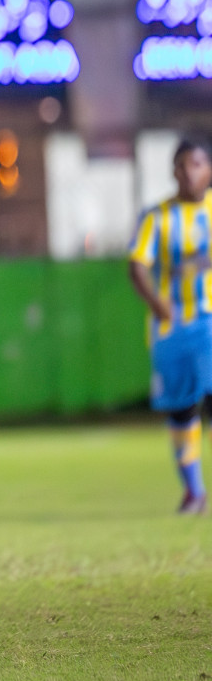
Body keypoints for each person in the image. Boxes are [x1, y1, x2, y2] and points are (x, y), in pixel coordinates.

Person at [128, 134, 212, 515]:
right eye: (180, 165)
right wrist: (156, 301)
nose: (186, 173)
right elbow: (137, 265)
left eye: (194, 164)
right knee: (182, 409)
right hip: (172, 327)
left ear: (208, 169)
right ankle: (194, 492)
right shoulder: (157, 217)